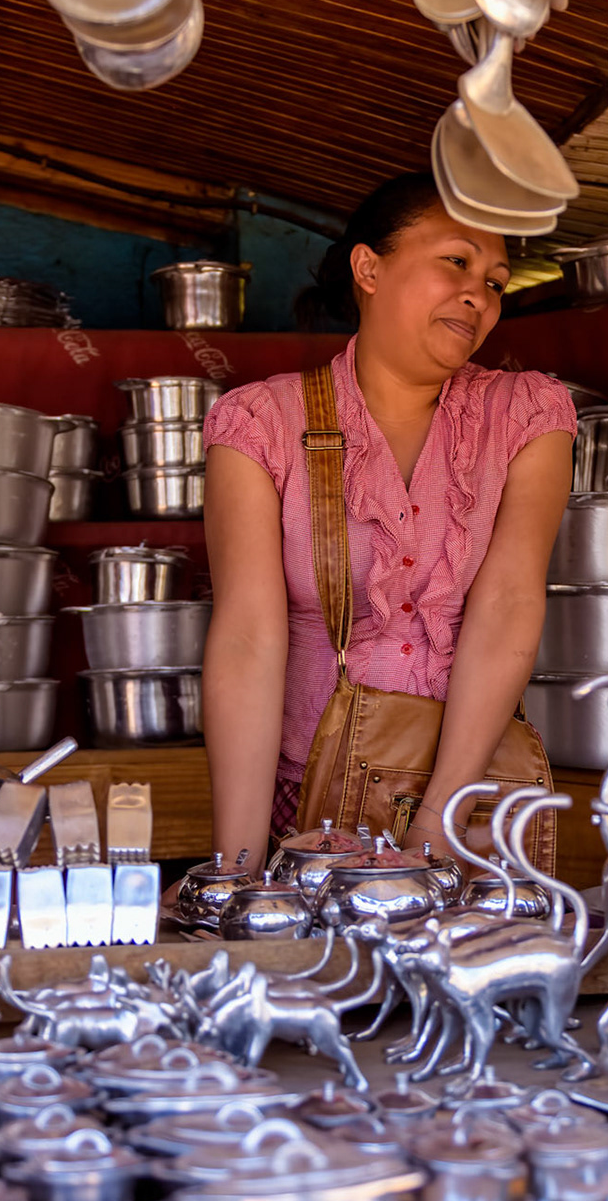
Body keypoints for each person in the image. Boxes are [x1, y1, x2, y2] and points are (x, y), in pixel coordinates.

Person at [200, 174, 576, 868]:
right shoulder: (260, 424)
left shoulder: (528, 415)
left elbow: (508, 605)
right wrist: (239, 869)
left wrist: (438, 820)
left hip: (472, 806)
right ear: (369, 268)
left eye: (496, 281)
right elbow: (248, 639)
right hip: (305, 799)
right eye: (457, 261)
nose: (479, 294)